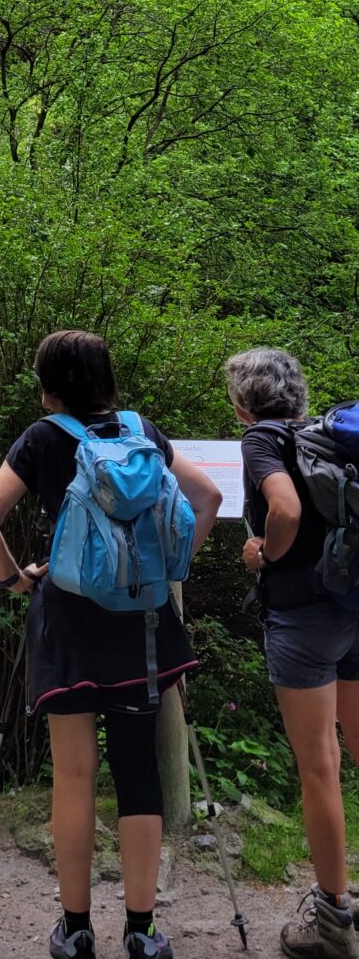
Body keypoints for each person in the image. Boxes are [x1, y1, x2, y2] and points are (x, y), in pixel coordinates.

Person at [0, 329, 221, 959]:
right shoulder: (141, 432)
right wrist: (170, 567)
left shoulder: (43, 437)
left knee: (74, 774)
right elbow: (209, 496)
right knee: (138, 773)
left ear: (49, 386)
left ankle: (76, 929)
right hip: (143, 626)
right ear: (106, 379)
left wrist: (14, 580)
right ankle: (142, 932)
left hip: (70, 624)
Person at [228, 346, 359, 959]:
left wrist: (266, 553)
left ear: (243, 403)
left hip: (304, 618)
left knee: (319, 767)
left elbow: (284, 508)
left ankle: (333, 922)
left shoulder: (262, 440)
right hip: (354, 605)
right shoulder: (326, 436)